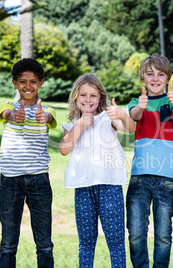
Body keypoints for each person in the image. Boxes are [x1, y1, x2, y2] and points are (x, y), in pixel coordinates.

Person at [59, 74, 135, 267]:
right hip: (83, 188)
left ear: (100, 98)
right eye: (83, 95)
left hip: (110, 187)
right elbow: (64, 149)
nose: (88, 100)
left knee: (116, 242)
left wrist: (120, 115)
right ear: (75, 98)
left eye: (93, 95)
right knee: (86, 243)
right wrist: (81, 123)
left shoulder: (107, 118)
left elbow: (131, 128)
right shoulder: (71, 125)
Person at [0, 58, 56, 267]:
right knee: (8, 243)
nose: (28, 86)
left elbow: (49, 117)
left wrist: (44, 117)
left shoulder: (47, 110)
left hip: (39, 181)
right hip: (10, 181)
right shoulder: (8, 107)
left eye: (33, 81)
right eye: (22, 81)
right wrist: (13, 115)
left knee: (45, 244)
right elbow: (6, 113)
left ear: (40, 83)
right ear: (14, 83)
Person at [126, 54, 173, 268]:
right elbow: (135, 116)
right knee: (136, 233)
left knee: (163, 235)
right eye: (150, 74)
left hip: (166, 177)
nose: (155, 78)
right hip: (140, 177)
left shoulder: (172, 101)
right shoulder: (136, 101)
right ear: (143, 77)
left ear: (167, 78)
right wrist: (141, 107)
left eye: (160, 74)